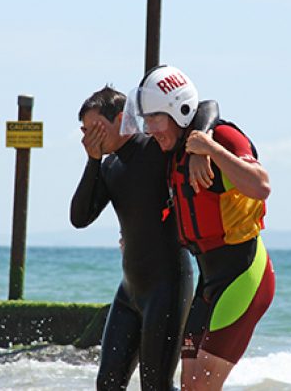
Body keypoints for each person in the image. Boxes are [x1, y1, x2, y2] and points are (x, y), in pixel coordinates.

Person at [122, 66, 276, 391]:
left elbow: (262, 186)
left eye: (155, 119)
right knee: (191, 385)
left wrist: (211, 150)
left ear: (178, 111)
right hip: (208, 279)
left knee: (203, 386)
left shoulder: (223, 138)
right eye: (146, 119)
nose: (150, 129)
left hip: (243, 274)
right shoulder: (177, 150)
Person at [70, 85, 218, 391]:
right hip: (129, 291)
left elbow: (207, 107)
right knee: (108, 384)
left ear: (122, 118)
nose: (88, 137)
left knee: (156, 386)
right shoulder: (109, 166)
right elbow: (79, 217)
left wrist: (200, 146)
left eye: (95, 128)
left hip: (168, 286)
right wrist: (92, 160)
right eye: (84, 131)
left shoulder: (157, 149)